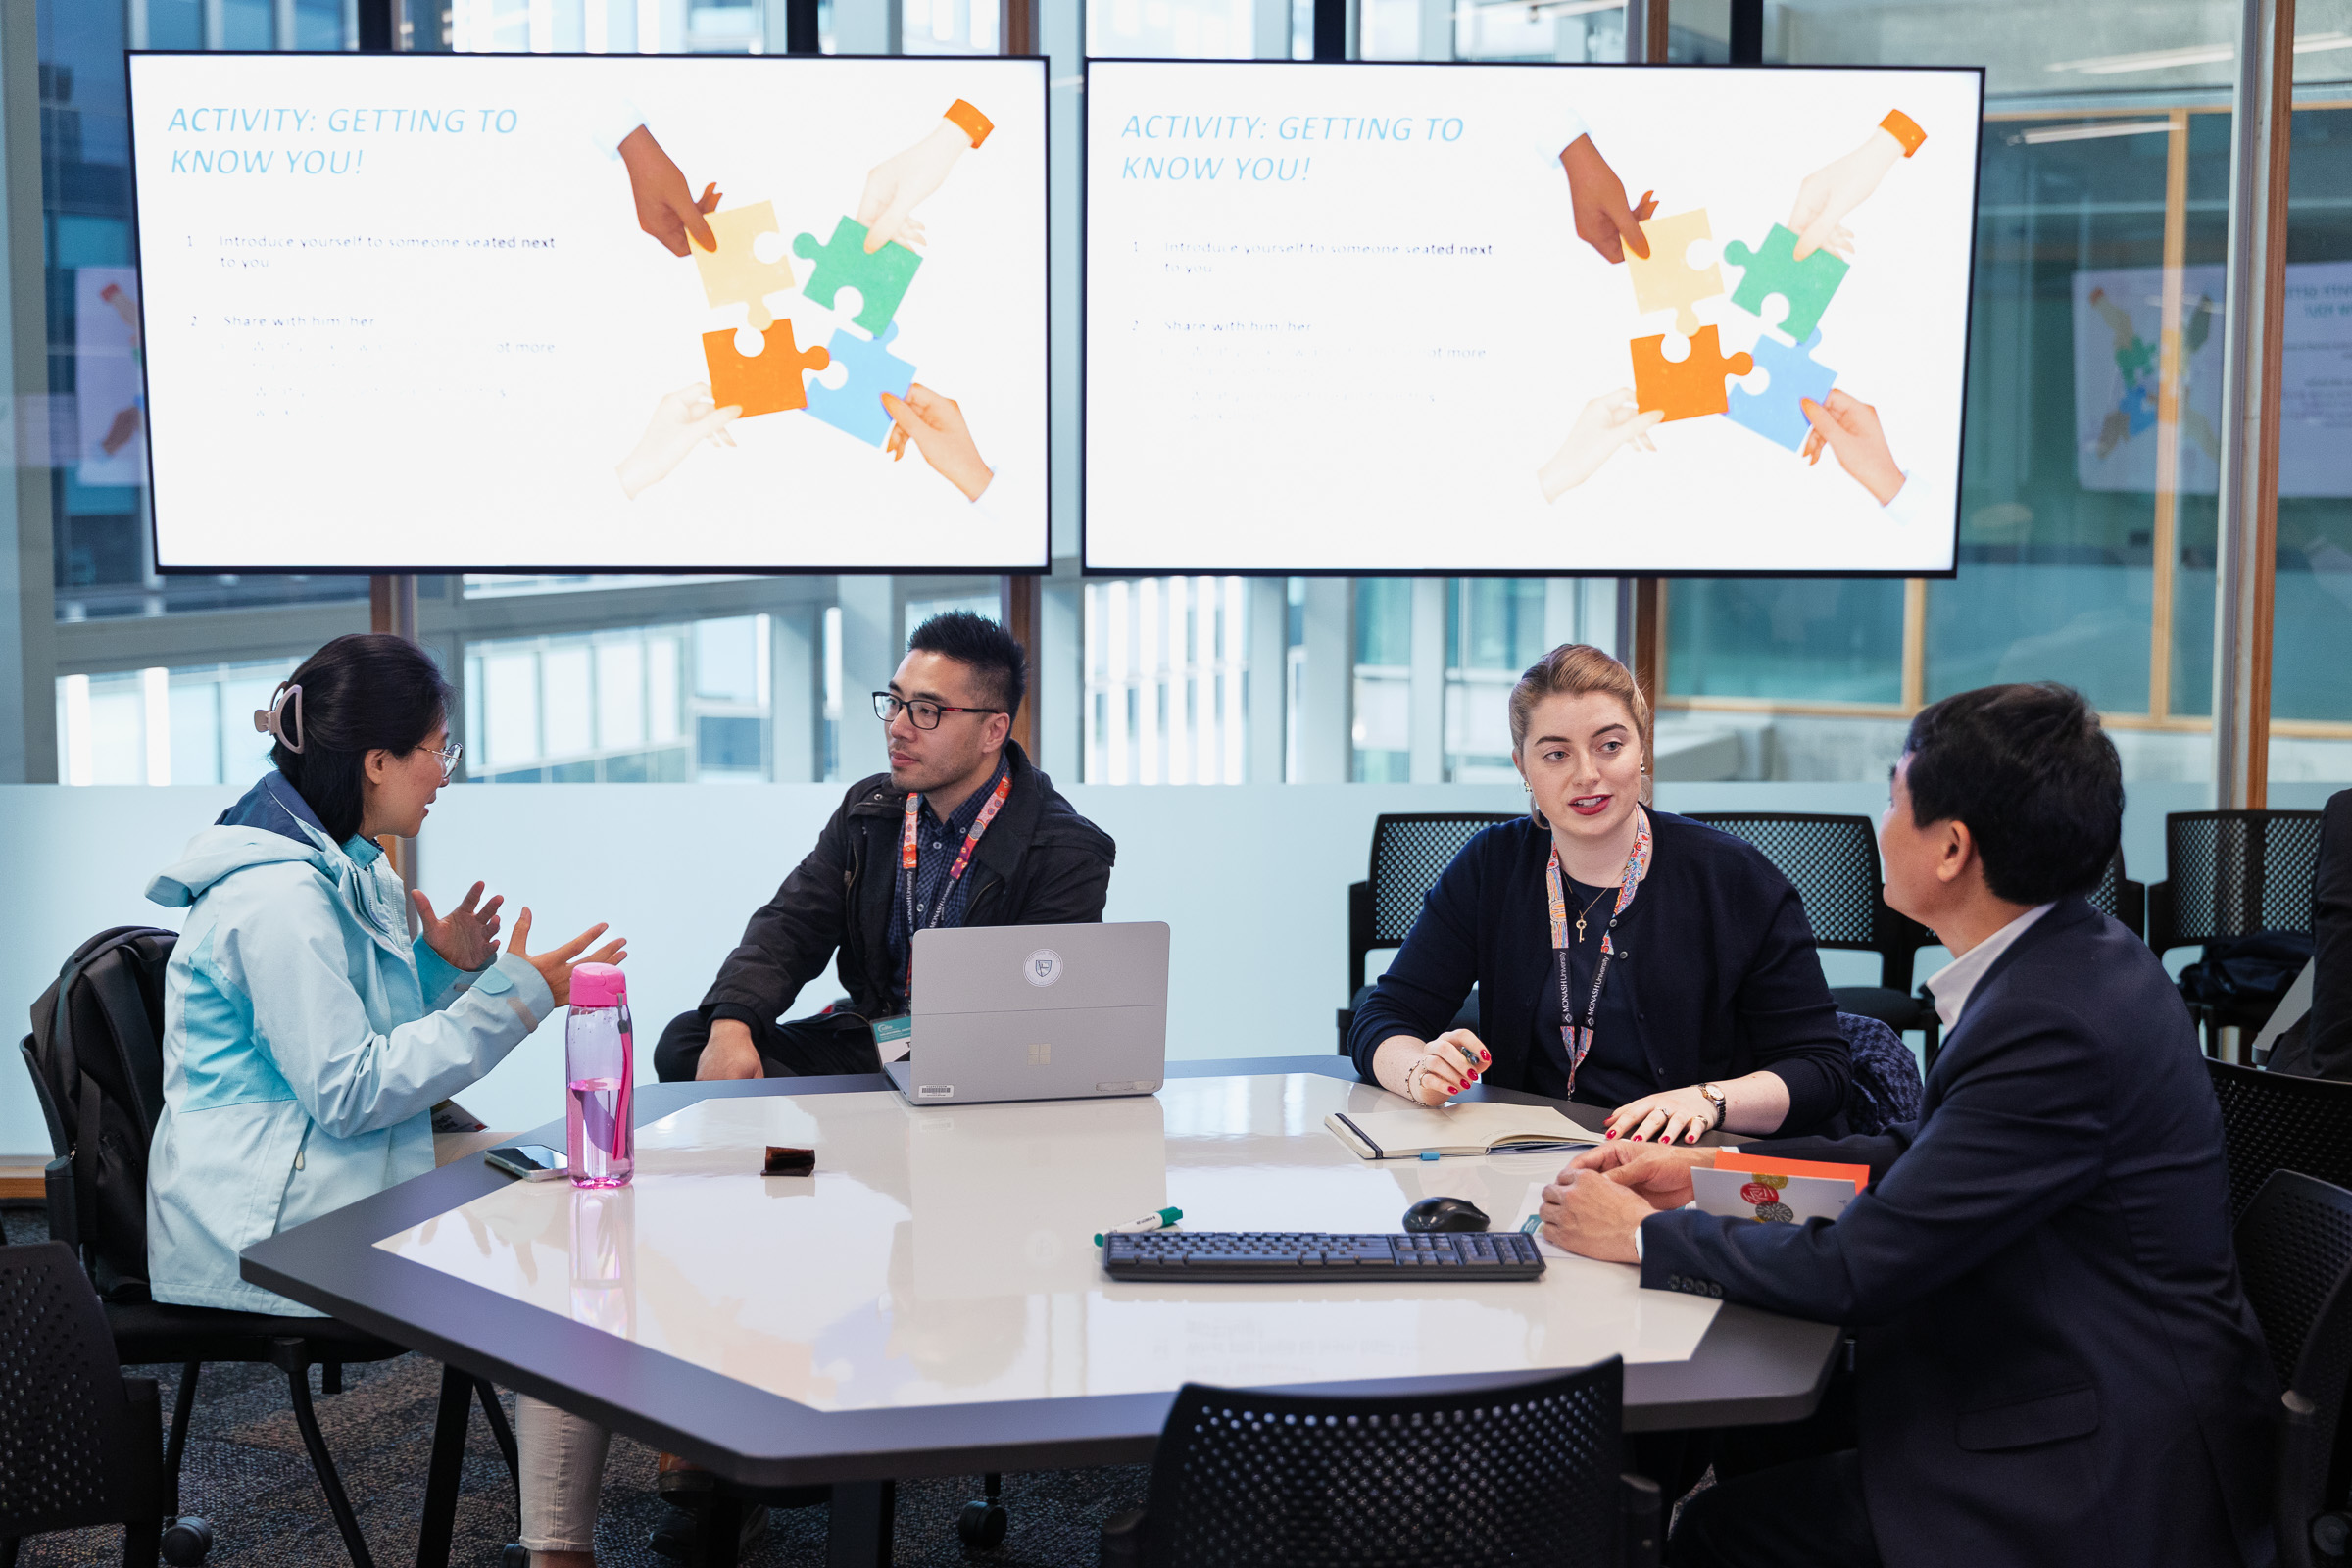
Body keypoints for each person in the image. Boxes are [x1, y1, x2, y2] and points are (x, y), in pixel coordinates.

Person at [1539, 682, 2277, 1568]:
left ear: (1952, 848)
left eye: (1893, 800)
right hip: (2048, 1359)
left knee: (1716, 1533)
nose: (1881, 823)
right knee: (1762, 1425)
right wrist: (1709, 1173)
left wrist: (1644, 1234)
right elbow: (1921, 1155)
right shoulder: (2071, 959)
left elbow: (1861, 1269)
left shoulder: (2053, 1023)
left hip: (2098, 1454)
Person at [144, 632, 624, 1314]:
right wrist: (516, 998)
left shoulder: (342, 865)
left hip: (313, 1170)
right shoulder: (277, 900)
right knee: (547, 1209)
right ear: (377, 762)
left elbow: (348, 1040)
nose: (445, 776)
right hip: (263, 1225)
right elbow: (350, 1091)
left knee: (550, 1184)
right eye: (439, 751)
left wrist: (436, 971)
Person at [1348, 644, 1851, 1142]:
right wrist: (1418, 1071)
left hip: (1683, 1167)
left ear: (1641, 750)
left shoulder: (1733, 877)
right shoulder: (1492, 866)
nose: (1587, 774)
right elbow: (1385, 1017)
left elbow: (1820, 1068)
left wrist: (1707, 1101)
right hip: (1528, 1162)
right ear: (1523, 767)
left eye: (1610, 746)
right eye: (1556, 754)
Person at [654, 609, 1114, 1085]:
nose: (898, 727)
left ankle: (848, 1113)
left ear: (993, 731)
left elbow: (1040, 1012)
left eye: (927, 711)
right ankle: (854, 1110)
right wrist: (733, 1024)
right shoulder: (871, 809)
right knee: (691, 1040)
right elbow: (792, 924)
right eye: (895, 702)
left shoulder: (1066, 851)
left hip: (981, 1057)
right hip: (879, 1038)